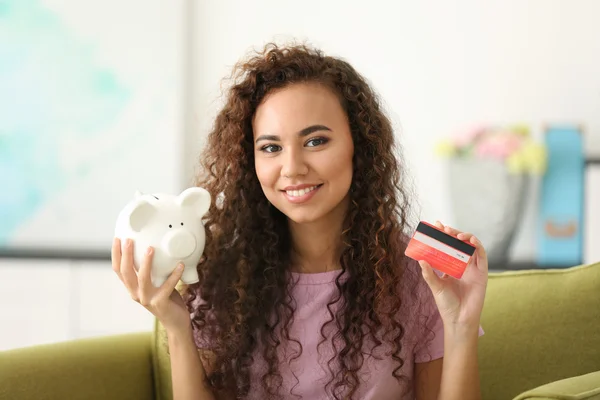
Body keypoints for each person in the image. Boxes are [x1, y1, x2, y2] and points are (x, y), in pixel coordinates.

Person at [111, 43, 488, 400]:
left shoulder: (419, 274)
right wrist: (177, 327)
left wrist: (460, 325)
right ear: (250, 161)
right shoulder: (225, 278)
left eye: (315, 141)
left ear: (360, 145)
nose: (292, 168)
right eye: (271, 148)